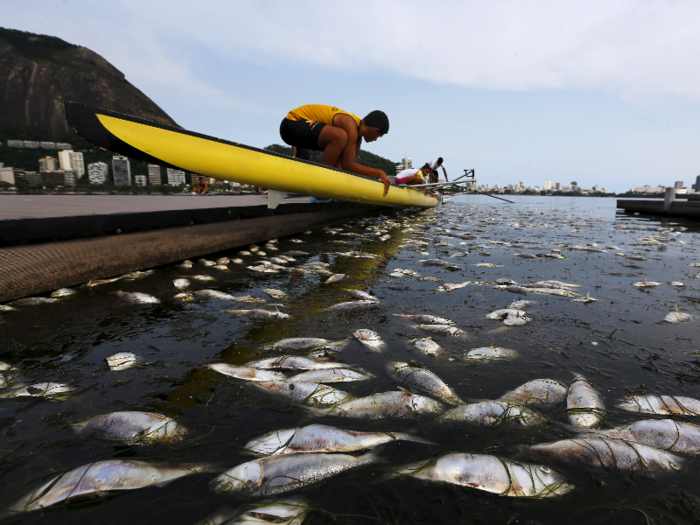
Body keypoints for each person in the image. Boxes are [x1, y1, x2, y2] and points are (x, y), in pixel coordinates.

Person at [280, 105, 392, 196]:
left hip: (304, 133)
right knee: (340, 136)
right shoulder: (350, 125)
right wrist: (378, 172)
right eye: (378, 136)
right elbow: (348, 164)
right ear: (375, 130)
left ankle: (327, 187)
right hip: (290, 125)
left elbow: (345, 167)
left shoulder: (357, 138)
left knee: (341, 150)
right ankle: (322, 186)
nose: (376, 140)